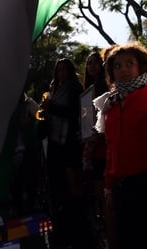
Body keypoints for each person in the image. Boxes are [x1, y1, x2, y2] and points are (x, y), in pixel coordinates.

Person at [92, 42, 147, 249]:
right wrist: (109, 189)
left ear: (140, 66)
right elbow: (111, 149)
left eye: (129, 63)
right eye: (118, 66)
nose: (123, 69)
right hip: (122, 191)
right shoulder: (110, 106)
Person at [39, 58, 92, 249]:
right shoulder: (53, 91)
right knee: (57, 184)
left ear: (70, 71)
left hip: (68, 141)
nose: (61, 74)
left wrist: (51, 108)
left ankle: (79, 222)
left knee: (72, 183)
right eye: (58, 70)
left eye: (64, 70)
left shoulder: (73, 89)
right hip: (53, 142)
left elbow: (74, 113)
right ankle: (63, 222)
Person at [81, 50, 110, 247]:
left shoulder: (104, 86)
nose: (92, 66)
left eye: (95, 62)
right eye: (88, 63)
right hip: (92, 142)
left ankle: (110, 228)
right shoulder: (86, 90)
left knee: (105, 187)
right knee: (99, 188)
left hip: (103, 141)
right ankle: (106, 228)